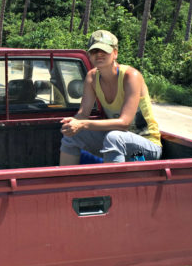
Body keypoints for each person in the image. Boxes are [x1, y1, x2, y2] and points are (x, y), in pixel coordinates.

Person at [59, 30, 162, 165]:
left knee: (114, 137)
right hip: (117, 145)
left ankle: (113, 186)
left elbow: (124, 123)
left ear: (115, 53)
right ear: (89, 55)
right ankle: (66, 183)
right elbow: (83, 114)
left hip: (143, 151)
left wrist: (82, 124)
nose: (99, 54)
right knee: (72, 136)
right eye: (95, 51)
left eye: (104, 50)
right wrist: (72, 123)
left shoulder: (131, 76)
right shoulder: (91, 77)